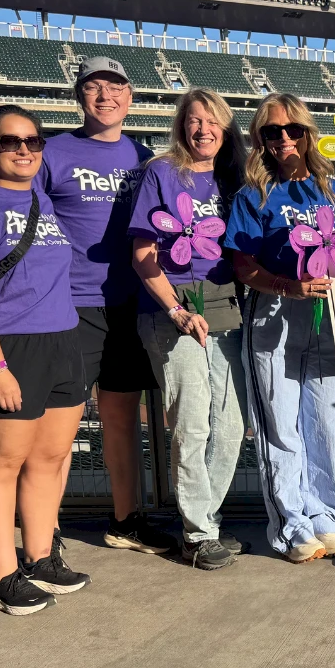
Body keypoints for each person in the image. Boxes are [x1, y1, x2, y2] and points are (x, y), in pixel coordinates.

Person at [0, 57, 176, 557]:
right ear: (80, 96)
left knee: (121, 418)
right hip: (69, 307)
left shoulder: (145, 156)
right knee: (53, 434)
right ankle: (41, 531)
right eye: (94, 87)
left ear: (131, 96)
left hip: (128, 302)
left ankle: (125, 520)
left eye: (115, 86)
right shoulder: (54, 151)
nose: (105, 96)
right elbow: (4, 192)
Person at [0, 106, 88, 614]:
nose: (24, 149)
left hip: (62, 339)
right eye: (10, 142)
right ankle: (2, 577)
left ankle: (40, 557)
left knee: (48, 460)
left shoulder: (42, 198)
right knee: (1, 466)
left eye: (33, 140)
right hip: (11, 346)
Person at [224, 94, 335, 563]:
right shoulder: (252, 194)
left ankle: (325, 515)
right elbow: (241, 262)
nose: (283, 139)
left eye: (292, 129)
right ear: (259, 140)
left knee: (324, 421)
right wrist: (286, 285)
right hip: (271, 311)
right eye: (271, 132)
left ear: (307, 133)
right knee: (279, 424)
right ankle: (291, 522)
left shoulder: (333, 187)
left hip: (325, 317)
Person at [128, 90, 248, 571]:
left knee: (233, 425)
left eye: (212, 121)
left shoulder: (233, 177)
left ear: (226, 128)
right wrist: (176, 309)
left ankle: (207, 521)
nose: (203, 129)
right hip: (172, 309)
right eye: (194, 121)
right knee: (192, 424)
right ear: (181, 127)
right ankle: (197, 535)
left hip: (224, 306)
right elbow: (142, 254)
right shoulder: (162, 173)